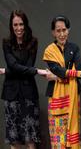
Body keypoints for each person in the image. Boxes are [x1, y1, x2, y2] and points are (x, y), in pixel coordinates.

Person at [43, 15, 81, 149]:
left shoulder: (74, 48)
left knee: (73, 135)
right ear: (53, 32)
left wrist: (58, 75)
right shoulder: (49, 51)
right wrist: (69, 73)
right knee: (58, 138)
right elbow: (58, 70)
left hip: (73, 97)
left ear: (68, 30)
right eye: (58, 31)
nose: (62, 34)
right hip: (55, 98)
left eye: (64, 30)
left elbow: (76, 69)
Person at [2, 10, 50, 149]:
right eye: (15, 25)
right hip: (11, 93)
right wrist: (37, 71)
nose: (18, 28)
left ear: (25, 24)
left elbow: (26, 67)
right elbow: (14, 65)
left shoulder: (33, 42)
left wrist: (6, 71)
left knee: (31, 137)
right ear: (11, 26)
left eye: (21, 24)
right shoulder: (6, 43)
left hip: (28, 92)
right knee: (13, 138)